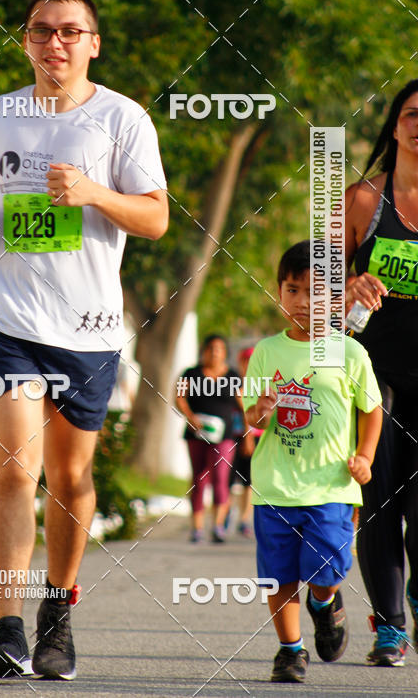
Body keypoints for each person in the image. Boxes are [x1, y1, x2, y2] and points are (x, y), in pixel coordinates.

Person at [0, 0, 168, 680]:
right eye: (42, 32)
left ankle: (58, 612)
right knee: (17, 467)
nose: (56, 44)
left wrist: (95, 194)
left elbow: (157, 217)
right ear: (25, 41)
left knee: (72, 479)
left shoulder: (122, 118)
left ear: (93, 43)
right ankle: (7, 628)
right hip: (4, 315)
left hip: (88, 326)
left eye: (71, 32)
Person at [244, 240, 382, 684]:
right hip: (275, 485)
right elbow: (252, 414)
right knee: (279, 575)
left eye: (315, 291)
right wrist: (260, 412)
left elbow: (371, 408)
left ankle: (325, 603)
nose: (302, 302)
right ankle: (290, 651)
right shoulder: (266, 351)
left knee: (327, 570)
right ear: (278, 292)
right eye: (291, 290)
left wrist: (364, 456)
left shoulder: (351, 353)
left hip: (332, 486)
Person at [345, 80, 418, 666]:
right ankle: (390, 625)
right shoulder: (363, 200)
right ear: (394, 126)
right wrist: (345, 283)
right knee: (378, 502)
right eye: (412, 114)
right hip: (376, 375)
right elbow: (310, 283)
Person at [175, 334, 242, 543]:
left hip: (224, 435)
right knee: (199, 478)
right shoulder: (190, 373)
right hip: (196, 433)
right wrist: (190, 417)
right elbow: (178, 397)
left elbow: (243, 404)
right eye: (211, 348)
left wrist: (249, 434)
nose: (214, 352)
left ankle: (218, 526)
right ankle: (197, 527)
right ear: (204, 350)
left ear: (225, 353)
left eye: (219, 349)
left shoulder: (232, 376)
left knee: (221, 478)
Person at [229, 346, 260, 538]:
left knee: (249, 480)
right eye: (245, 361)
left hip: (254, 436)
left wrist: (249, 438)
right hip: (232, 436)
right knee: (229, 480)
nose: (248, 365)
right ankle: (227, 517)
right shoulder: (233, 382)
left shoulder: (262, 385)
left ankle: (244, 520)